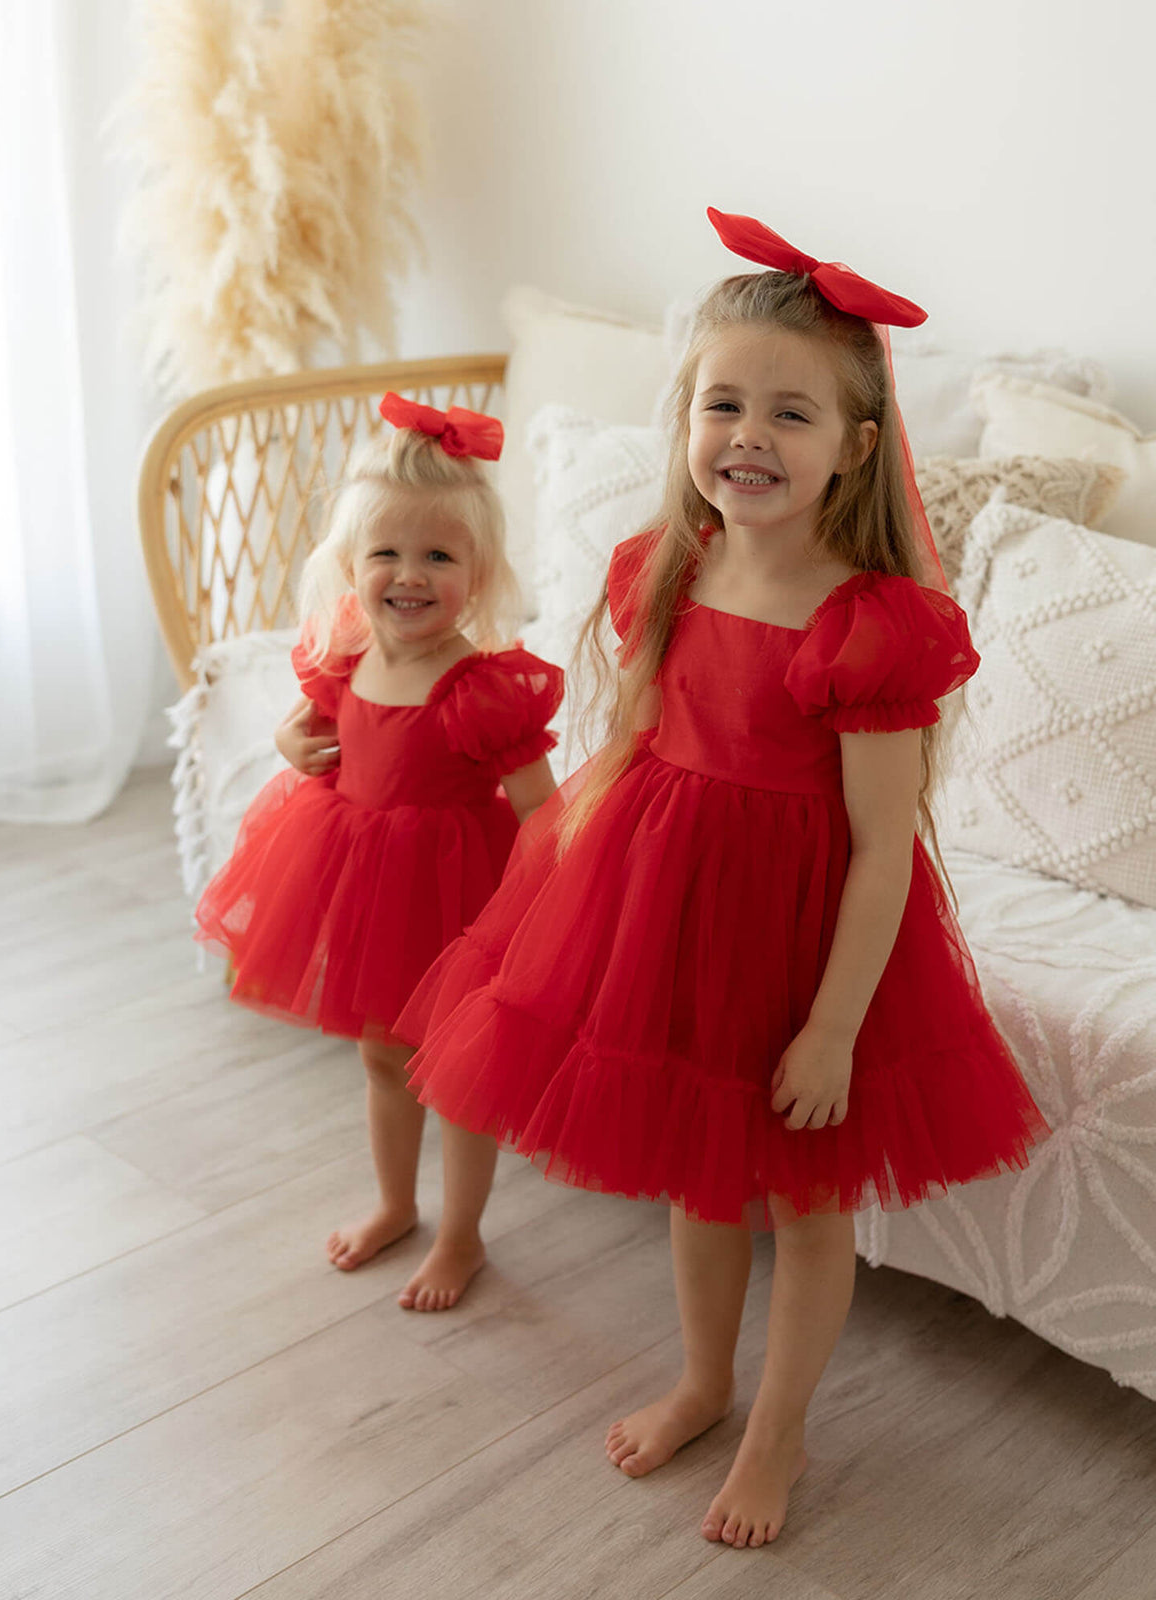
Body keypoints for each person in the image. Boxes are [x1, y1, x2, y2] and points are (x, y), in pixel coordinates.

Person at [395, 213, 1048, 1544]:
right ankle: (702, 1378)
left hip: (806, 937)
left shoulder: (870, 626)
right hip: (665, 905)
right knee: (699, 1174)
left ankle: (781, 1430)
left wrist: (833, 1026)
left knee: (802, 1202)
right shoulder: (667, 569)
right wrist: (569, 889)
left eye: (790, 412)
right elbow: (630, 740)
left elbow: (882, 848)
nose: (748, 434)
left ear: (857, 448)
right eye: (723, 402)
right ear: (685, 415)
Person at [195, 394, 562, 1304]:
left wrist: (538, 918)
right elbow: (309, 725)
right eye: (387, 554)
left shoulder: (482, 688)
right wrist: (289, 742)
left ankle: (464, 1237)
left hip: (457, 899)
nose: (410, 575)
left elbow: (541, 813)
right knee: (379, 1055)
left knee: (456, 1073)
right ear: (351, 568)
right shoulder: (346, 656)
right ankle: (398, 1203)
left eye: (439, 556)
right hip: (360, 887)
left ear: (476, 576)